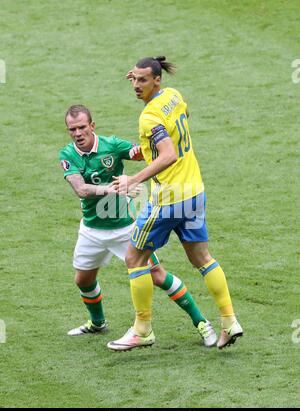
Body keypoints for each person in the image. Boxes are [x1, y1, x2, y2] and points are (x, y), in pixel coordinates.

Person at [107, 57, 243, 351]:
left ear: (157, 79)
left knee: (135, 259)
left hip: (169, 198)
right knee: (202, 259)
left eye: (142, 80)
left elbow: (168, 155)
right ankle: (229, 321)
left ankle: (142, 330)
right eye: (133, 79)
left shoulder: (149, 117)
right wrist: (142, 74)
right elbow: (179, 131)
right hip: (195, 191)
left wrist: (133, 180)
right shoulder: (174, 96)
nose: (135, 85)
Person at [58, 104, 217, 346]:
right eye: (72, 129)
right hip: (91, 230)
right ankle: (98, 323)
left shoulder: (111, 145)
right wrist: (110, 189)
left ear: (92, 126)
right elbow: (80, 189)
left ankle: (202, 323)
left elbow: (143, 152)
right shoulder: (68, 155)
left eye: (81, 127)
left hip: (125, 229)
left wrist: (163, 142)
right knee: (83, 281)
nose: (77, 133)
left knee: (157, 275)